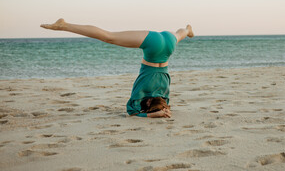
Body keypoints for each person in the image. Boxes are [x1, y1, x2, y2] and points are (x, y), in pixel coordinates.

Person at [40, 19, 194, 118]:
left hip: (169, 44)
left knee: (179, 34)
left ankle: (187, 30)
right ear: (147, 105)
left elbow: (164, 104)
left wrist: (162, 110)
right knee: (109, 37)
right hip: (153, 46)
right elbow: (132, 112)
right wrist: (153, 115)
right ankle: (65, 25)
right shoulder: (140, 94)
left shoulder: (164, 91)